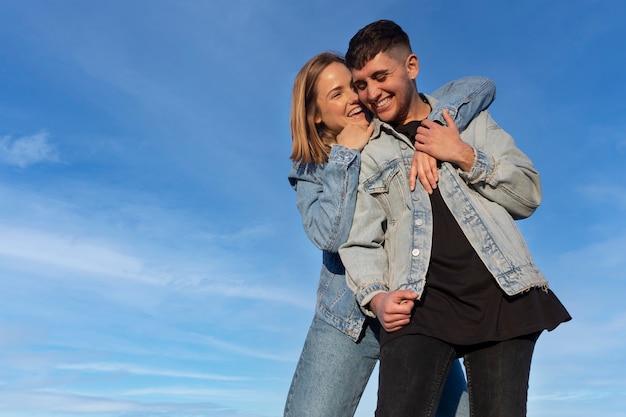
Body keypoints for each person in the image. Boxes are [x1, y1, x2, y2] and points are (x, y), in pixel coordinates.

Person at [338, 20, 571, 417]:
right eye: (361, 84)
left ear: (411, 66)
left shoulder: (469, 123)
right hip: (419, 306)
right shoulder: (371, 151)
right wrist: (376, 297)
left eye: (380, 76)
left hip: (502, 295)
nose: (371, 93)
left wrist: (462, 154)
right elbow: (360, 240)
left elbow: (529, 194)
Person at [284, 51, 496, 417]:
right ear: (315, 115)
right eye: (336, 94)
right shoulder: (313, 168)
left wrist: (428, 136)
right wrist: (345, 156)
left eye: (354, 86)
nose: (353, 97)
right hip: (347, 319)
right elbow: (328, 236)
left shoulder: (397, 128)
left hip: (417, 312)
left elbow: (480, 86)